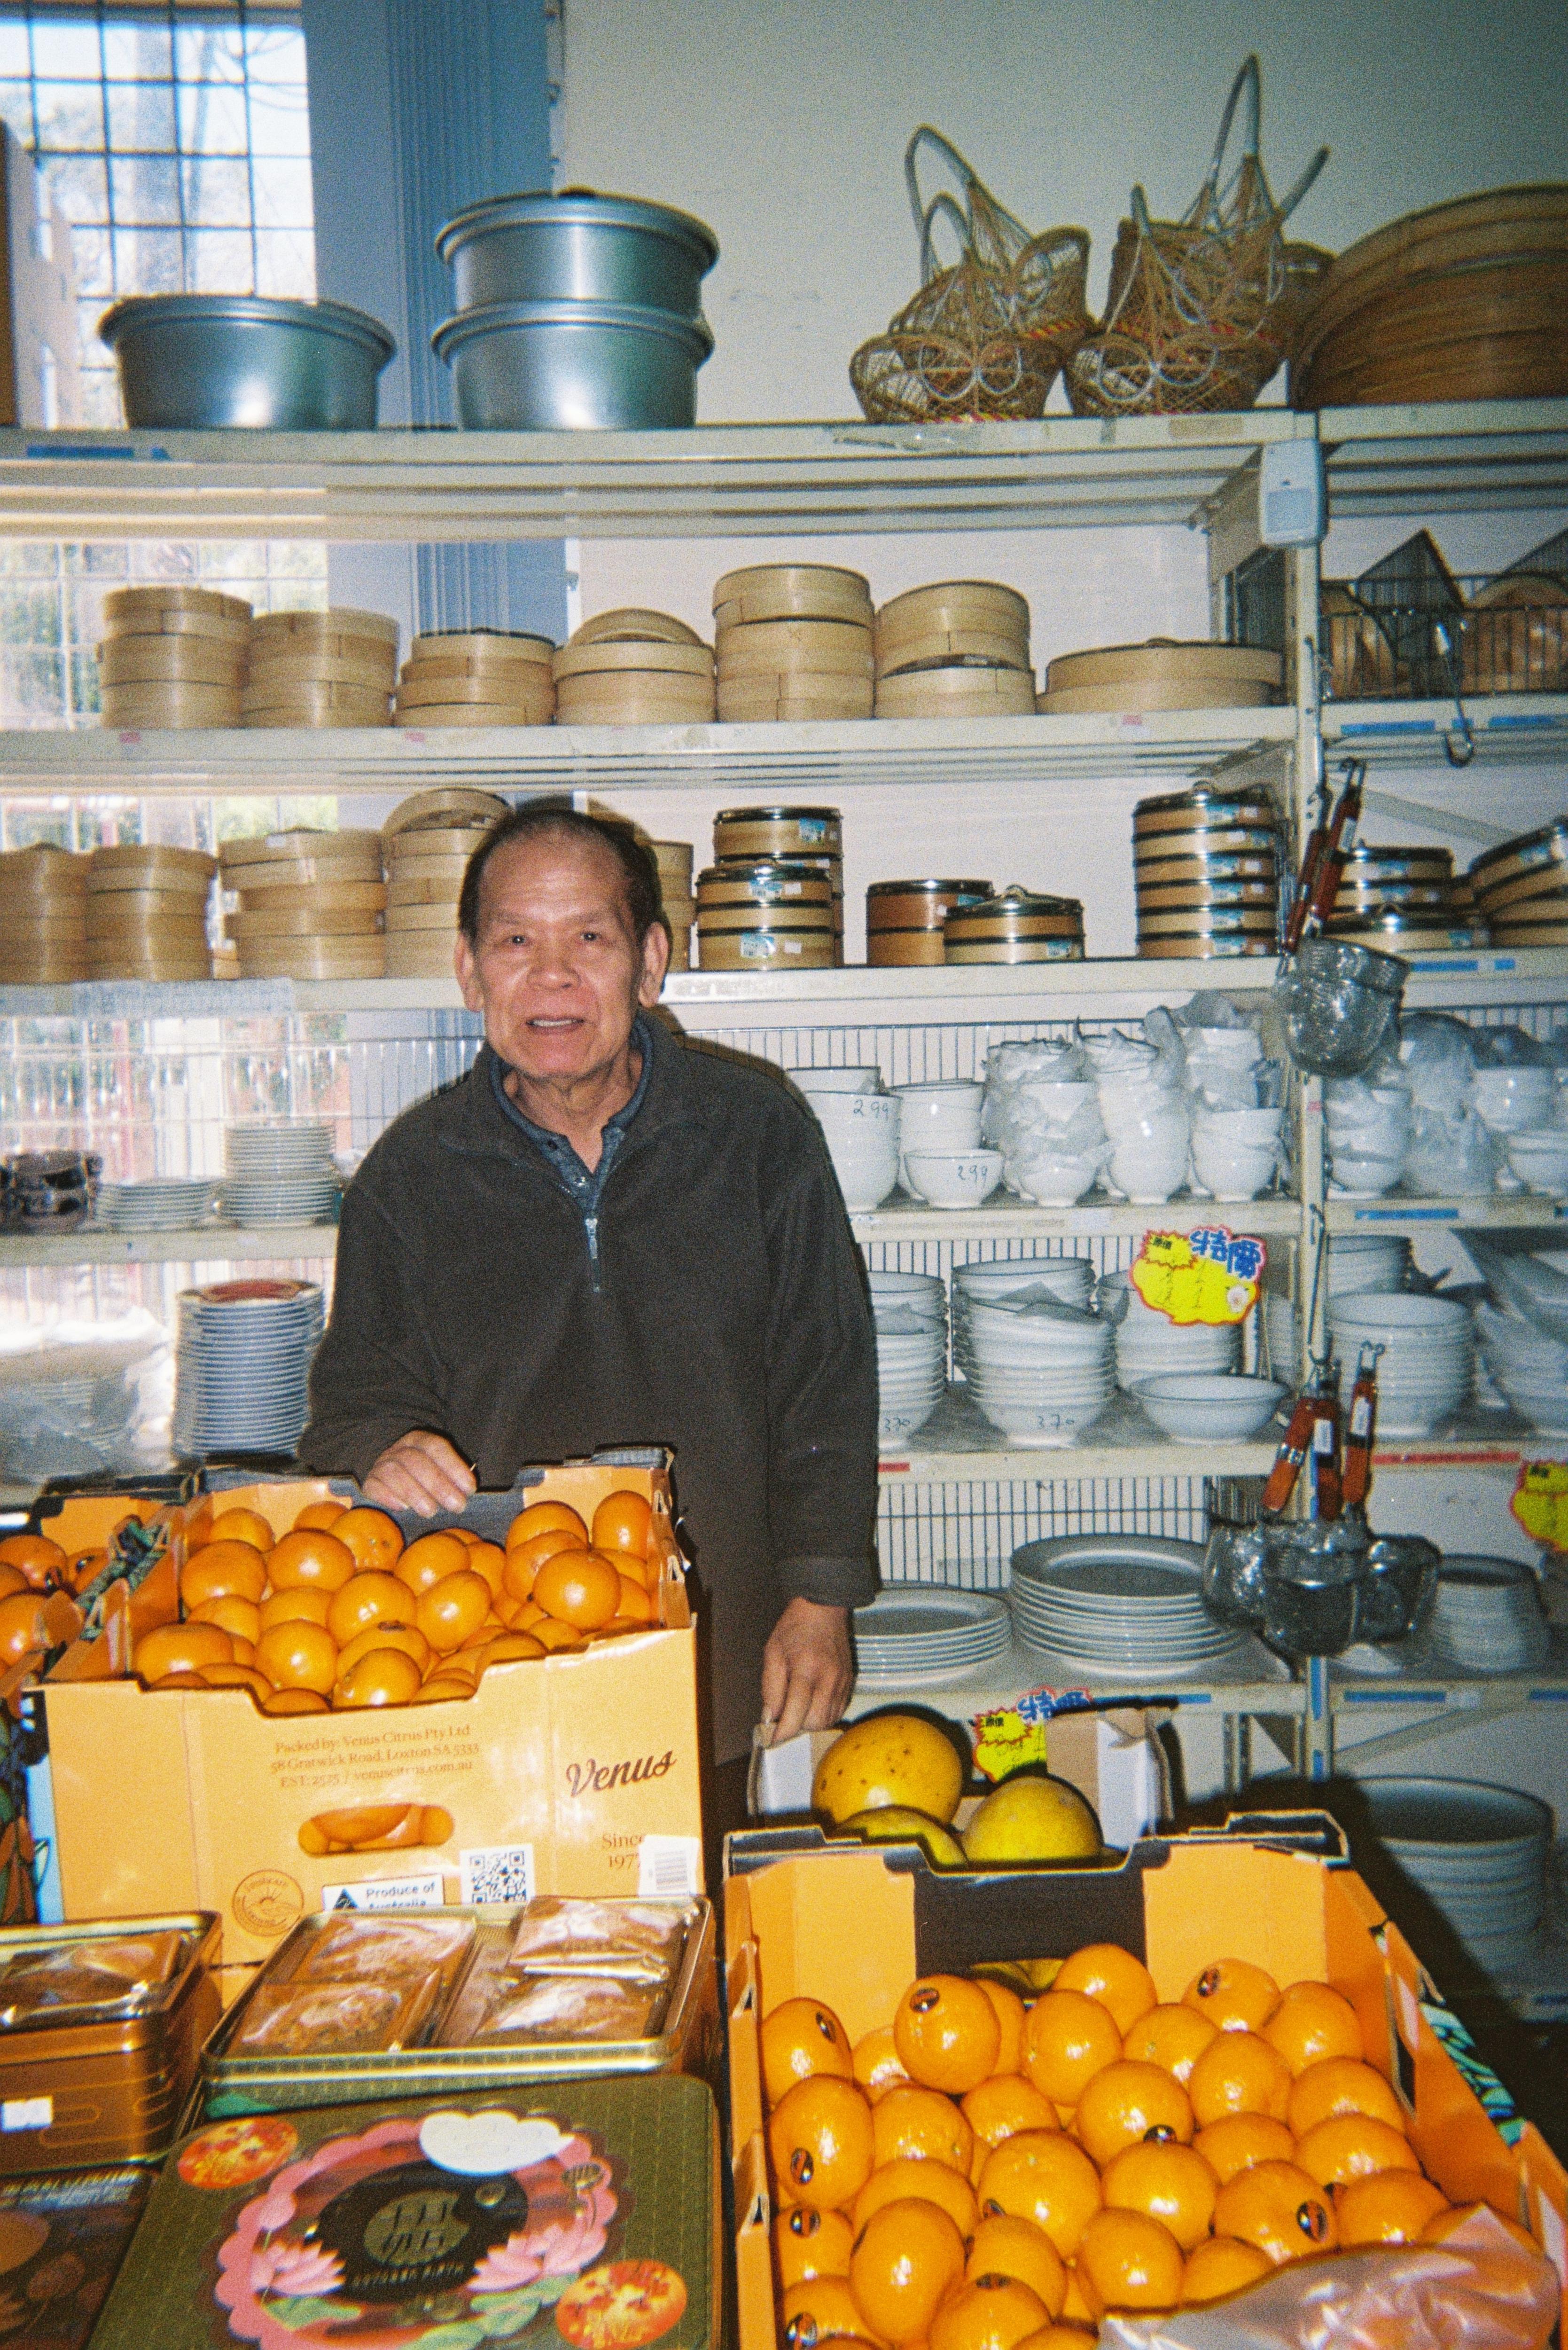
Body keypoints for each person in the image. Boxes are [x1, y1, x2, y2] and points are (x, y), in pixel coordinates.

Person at [299, 805, 879, 1844]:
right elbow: (352, 1403)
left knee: (702, 1938)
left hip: (717, 1649)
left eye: (590, 939)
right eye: (516, 941)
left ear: (649, 962)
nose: (552, 977)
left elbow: (824, 1376)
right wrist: (382, 1447)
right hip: (494, 1664)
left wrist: (822, 1594)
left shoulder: (757, 1133)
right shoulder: (408, 1178)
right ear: (470, 973)